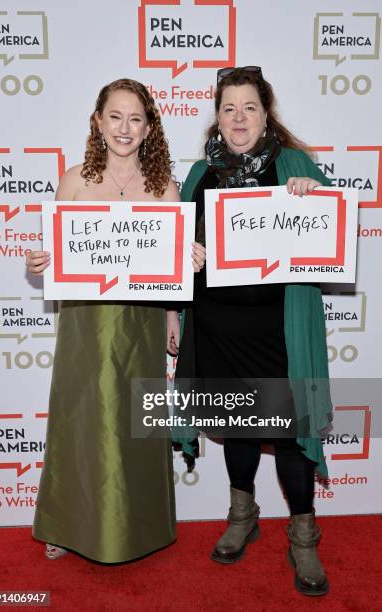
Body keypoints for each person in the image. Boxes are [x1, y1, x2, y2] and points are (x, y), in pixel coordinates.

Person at [167, 66, 332, 596]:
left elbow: (332, 228)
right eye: (228, 108)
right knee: (237, 428)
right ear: (217, 116)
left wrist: (313, 193)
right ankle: (243, 514)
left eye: (250, 108)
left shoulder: (294, 164)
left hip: (276, 331)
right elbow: (175, 250)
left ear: (267, 114)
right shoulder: (199, 175)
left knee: (288, 436)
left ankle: (303, 537)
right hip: (217, 328)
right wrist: (178, 295)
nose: (238, 118)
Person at [26, 78, 205, 563]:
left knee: (136, 416)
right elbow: (54, 252)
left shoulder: (162, 186)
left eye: (136, 119)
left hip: (141, 320)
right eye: (115, 117)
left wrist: (176, 302)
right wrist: (38, 262)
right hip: (85, 319)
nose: (124, 128)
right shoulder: (74, 180)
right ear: (98, 122)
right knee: (79, 415)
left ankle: (141, 523)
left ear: (149, 128)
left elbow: (173, 266)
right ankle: (66, 523)